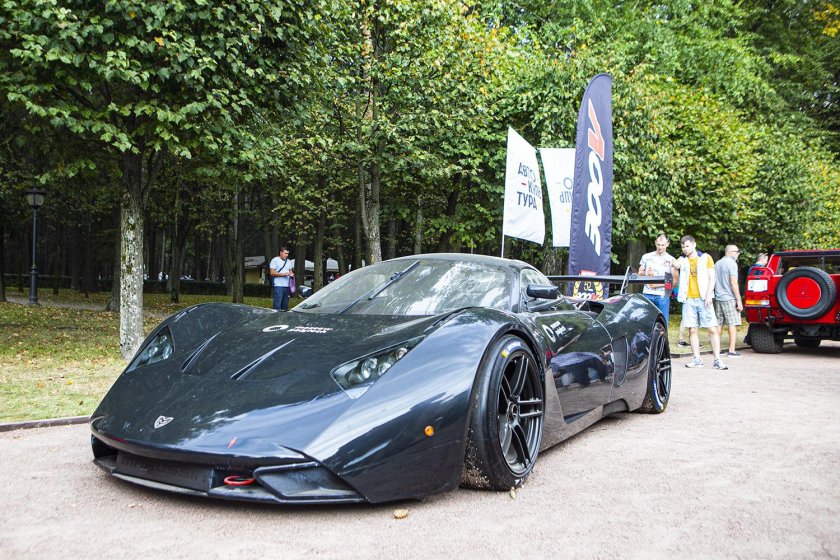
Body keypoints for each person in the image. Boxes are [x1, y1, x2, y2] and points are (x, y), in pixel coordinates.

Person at [673, 236, 727, 370]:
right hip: (688, 299)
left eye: (687, 246)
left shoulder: (705, 258)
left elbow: (712, 278)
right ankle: (697, 359)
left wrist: (709, 295)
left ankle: (717, 359)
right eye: (683, 247)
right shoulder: (682, 259)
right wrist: (671, 261)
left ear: (694, 245)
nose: (685, 249)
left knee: (712, 329)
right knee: (692, 330)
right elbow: (676, 264)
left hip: (704, 299)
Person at [638, 234, 677, 325]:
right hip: (647, 294)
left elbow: (675, 282)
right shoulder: (646, 257)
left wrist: (658, 285)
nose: (660, 247)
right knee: (645, 321)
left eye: (663, 245)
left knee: (663, 322)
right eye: (658, 244)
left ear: (667, 244)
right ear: (655, 242)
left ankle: (663, 335)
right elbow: (639, 274)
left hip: (663, 295)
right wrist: (645, 273)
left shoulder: (671, 260)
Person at [714, 245, 744, 357]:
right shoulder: (732, 264)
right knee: (732, 324)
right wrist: (739, 300)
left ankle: (717, 349)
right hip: (729, 298)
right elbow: (733, 283)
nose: (738, 254)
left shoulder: (717, 263)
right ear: (729, 252)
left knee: (718, 324)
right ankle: (731, 350)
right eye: (736, 251)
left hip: (718, 297)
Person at [269, 247, 294, 311]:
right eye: (285, 253)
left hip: (287, 286)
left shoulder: (289, 261)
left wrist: (291, 275)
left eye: (287, 254)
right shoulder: (275, 260)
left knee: (285, 306)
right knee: (277, 306)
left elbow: (290, 272)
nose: (287, 255)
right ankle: (275, 317)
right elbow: (272, 272)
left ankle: (283, 317)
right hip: (278, 285)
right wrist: (284, 274)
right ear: (280, 252)